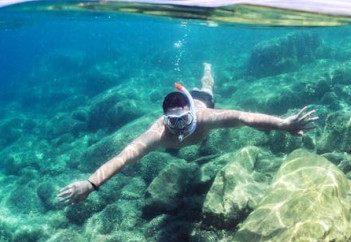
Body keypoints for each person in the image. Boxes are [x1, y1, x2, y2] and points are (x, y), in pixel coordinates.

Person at [57, 63, 318, 205]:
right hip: (187, 102)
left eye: (184, 120)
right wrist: (91, 184)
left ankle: (207, 70)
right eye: (174, 121)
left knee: (207, 87)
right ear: (165, 119)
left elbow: (244, 117)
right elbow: (123, 158)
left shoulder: (204, 117)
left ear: (192, 114)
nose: (180, 127)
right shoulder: (158, 134)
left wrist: (283, 124)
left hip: (200, 99)